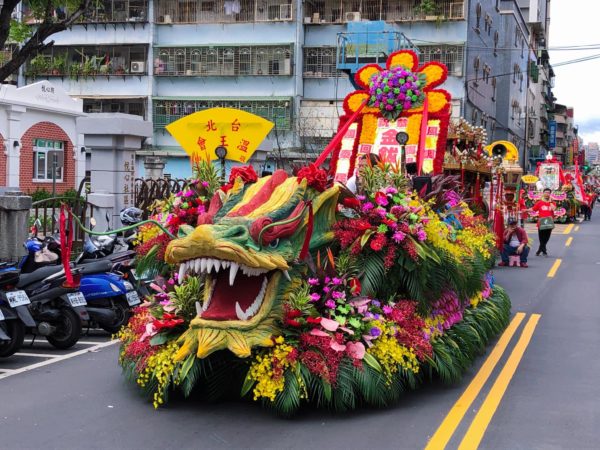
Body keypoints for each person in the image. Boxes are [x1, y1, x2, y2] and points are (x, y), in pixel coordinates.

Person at [530, 188, 556, 256]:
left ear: (550, 194)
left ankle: (540, 249)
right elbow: (533, 209)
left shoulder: (553, 202)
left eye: (548, 192)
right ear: (543, 193)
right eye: (546, 192)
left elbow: (553, 209)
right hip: (541, 222)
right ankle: (543, 250)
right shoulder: (539, 202)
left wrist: (550, 202)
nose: (547, 194)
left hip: (549, 222)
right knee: (541, 237)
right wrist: (525, 210)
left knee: (547, 237)